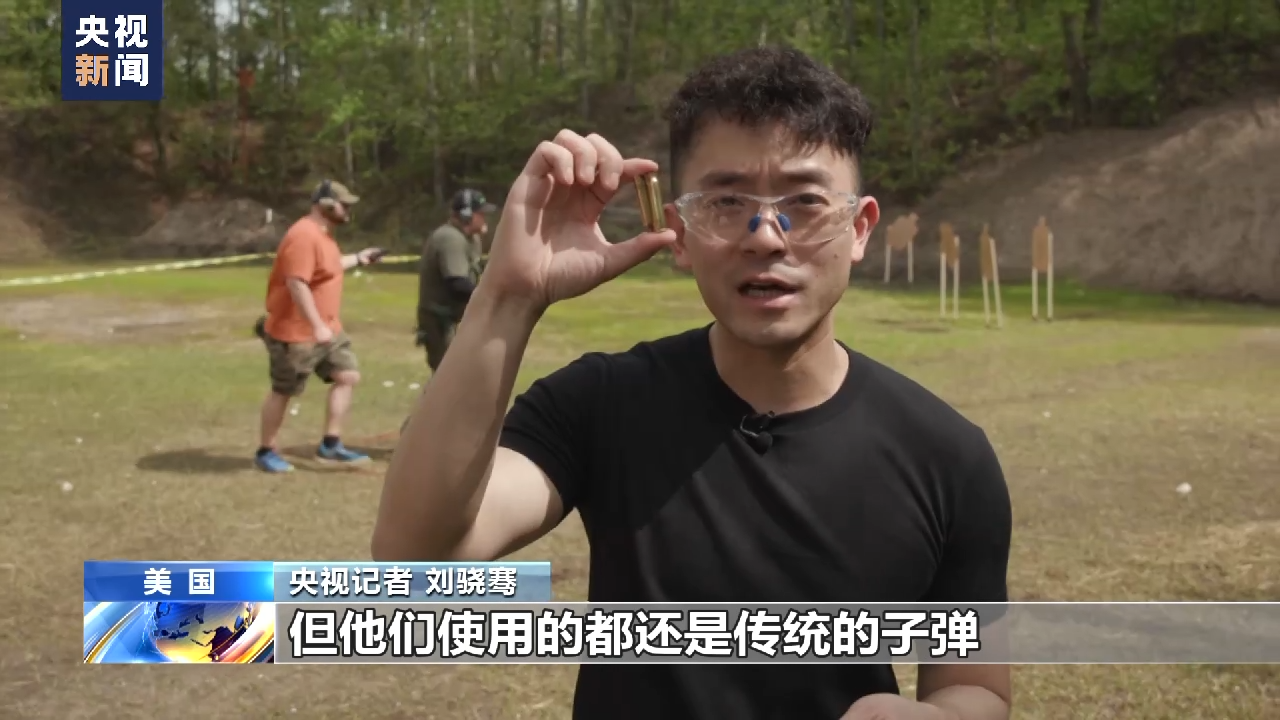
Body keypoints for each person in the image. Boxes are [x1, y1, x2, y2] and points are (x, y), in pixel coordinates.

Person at [374, 46, 1012, 720]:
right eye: (727, 202)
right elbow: (418, 560)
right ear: (677, 232)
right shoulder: (603, 405)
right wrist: (508, 294)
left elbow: (975, 686)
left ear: (858, 229)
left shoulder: (947, 456)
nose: (767, 237)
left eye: (805, 202)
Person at [253, 179, 384, 473]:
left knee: (347, 375)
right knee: (284, 390)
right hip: (296, 333)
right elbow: (296, 283)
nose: (348, 210)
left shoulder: (323, 235)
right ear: (325, 204)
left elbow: (328, 266)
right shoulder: (303, 236)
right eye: (343, 205)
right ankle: (265, 451)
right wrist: (316, 326)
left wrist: (359, 259)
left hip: (328, 329)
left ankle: (330, 444)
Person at [415, 188, 496, 372]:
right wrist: (490, 298)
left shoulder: (472, 238)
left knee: (463, 373)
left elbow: (474, 271)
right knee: (448, 375)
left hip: (456, 317)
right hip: (441, 320)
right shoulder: (450, 238)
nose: (485, 218)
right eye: (481, 213)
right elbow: (457, 284)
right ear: (467, 215)